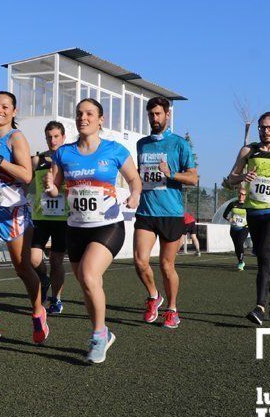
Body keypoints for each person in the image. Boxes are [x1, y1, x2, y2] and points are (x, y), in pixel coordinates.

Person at [44, 98, 141, 362]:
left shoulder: (114, 150)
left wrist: (135, 195)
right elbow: (55, 188)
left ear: (101, 119)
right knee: (87, 284)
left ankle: (98, 336)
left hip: (108, 225)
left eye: (89, 114)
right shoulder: (63, 153)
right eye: (79, 114)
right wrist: (50, 187)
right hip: (75, 227)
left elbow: (134, 179)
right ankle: (104, 332)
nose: (83, 118)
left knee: (88, 275)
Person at [0, 91, 48, 346]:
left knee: (23, 269)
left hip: (13, 210)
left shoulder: (16, 138)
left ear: (14, 112)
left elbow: (26, 175)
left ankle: (38, 311)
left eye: (5, 106)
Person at [226, 111, 270, 325]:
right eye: (262, 127)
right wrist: (242, 177)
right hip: (254, 210)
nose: (265, 131)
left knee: (265, 253)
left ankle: (259, 306)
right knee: (263, 258)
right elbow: (231, 178)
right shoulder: (248, 150)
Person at [132, 96, 197, 328]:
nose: (154, 118)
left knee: (166, 266)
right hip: (146, 212)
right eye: (151, 114)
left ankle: (172, 308)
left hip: (171, 212)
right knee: (140, 261)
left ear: (167, 115)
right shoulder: (142, 144)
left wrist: (171, 174)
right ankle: (153, 296)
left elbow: (193, 178)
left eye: (158, 114)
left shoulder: (179, 144)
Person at [30, 121, 68, 315]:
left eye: (56, 136)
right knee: (34, 258)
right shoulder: (38, 160)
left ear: (63, 137)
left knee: (56, 262)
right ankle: (44, 280)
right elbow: (26, 182)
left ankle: (56, 298)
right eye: (49, 137)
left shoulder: (69, 158)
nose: (52, 140)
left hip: (62, 219)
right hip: (41, 217)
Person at [224, 190, 250, 271]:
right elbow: (225, 215)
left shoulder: (248, 205)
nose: (241, 195)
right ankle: (240, 261)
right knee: (236, 246)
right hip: (233, 228)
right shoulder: (233, 204)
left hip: (244, 228)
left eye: (243, 194)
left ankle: (241, 262)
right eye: (240, 193)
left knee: (240, 243)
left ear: (245, 196)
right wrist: (229, 219)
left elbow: (252, 215)